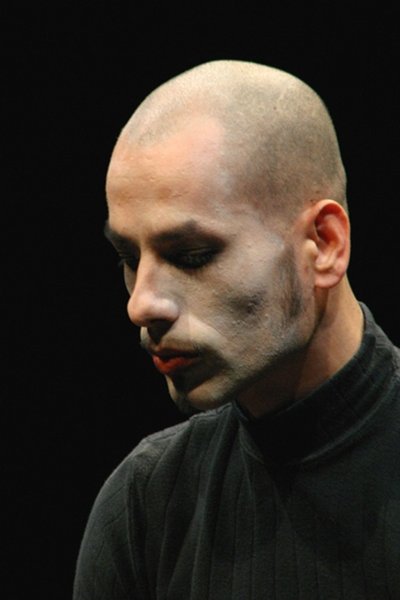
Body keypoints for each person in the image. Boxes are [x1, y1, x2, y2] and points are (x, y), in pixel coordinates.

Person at [73, 60, 400, 599]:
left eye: (192, 255)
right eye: (129, 258)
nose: (141, 304)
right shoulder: (144, 506)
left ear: (324, 245)